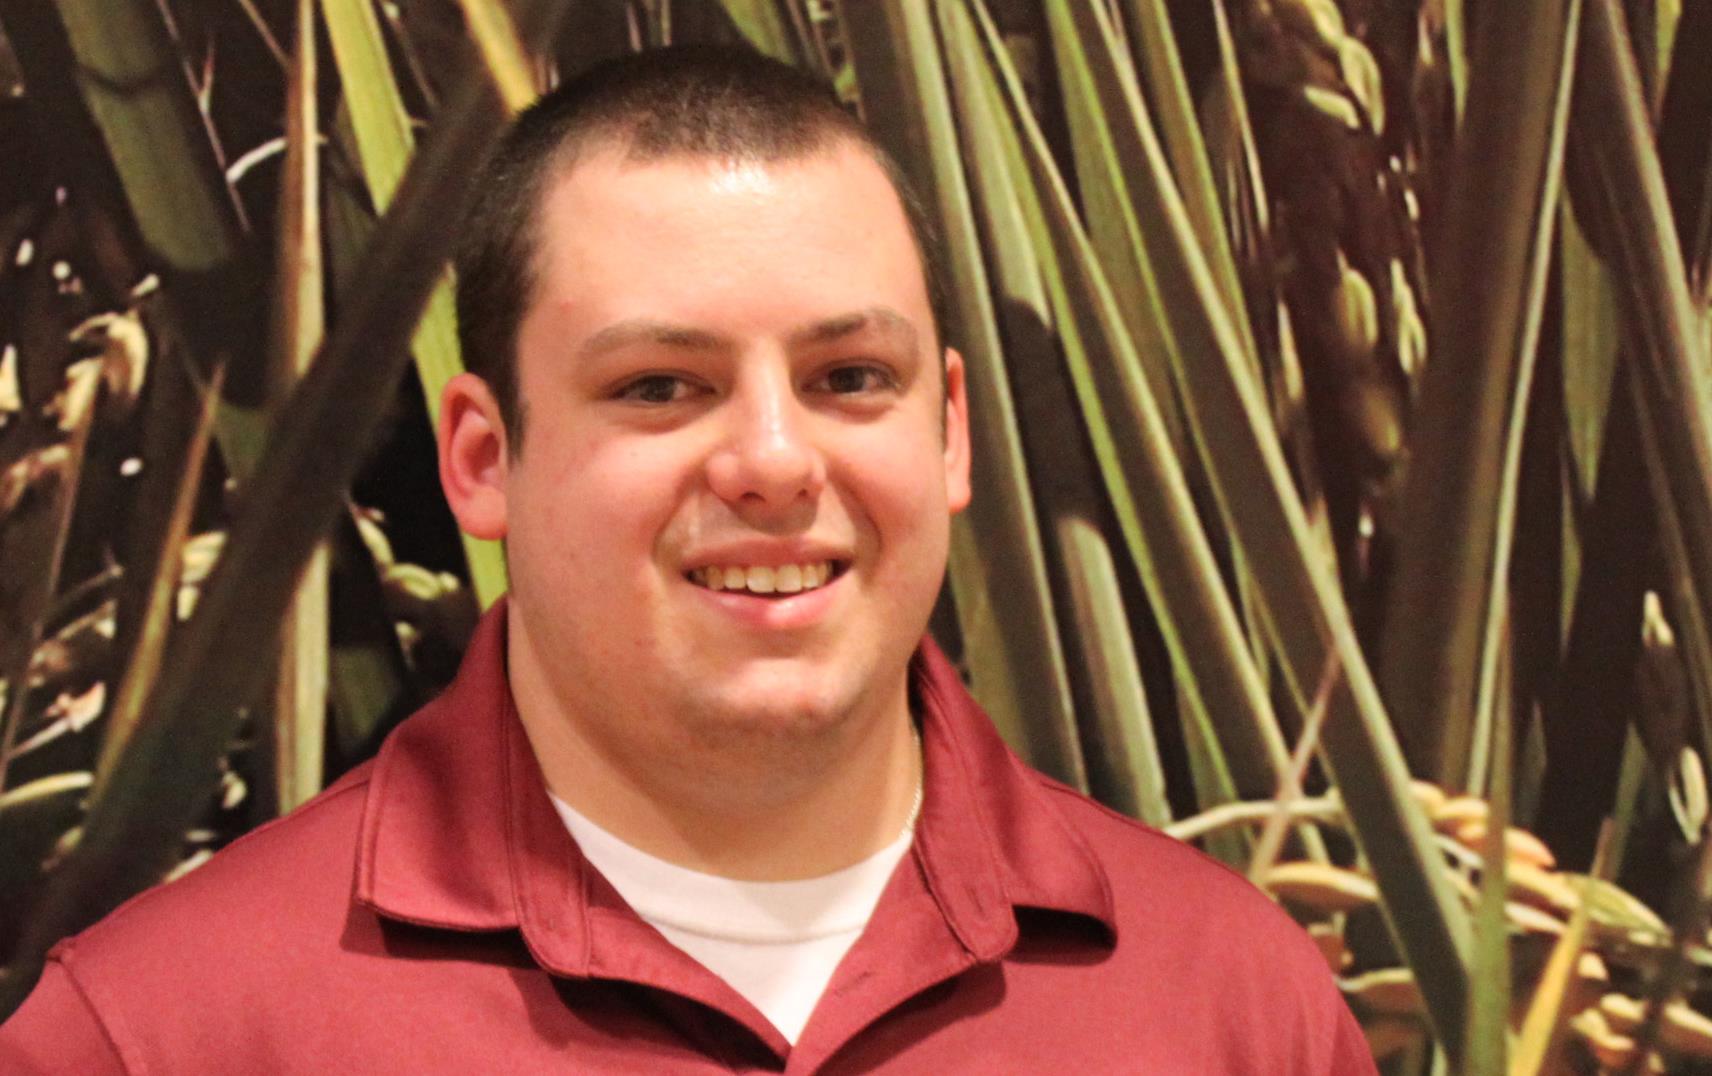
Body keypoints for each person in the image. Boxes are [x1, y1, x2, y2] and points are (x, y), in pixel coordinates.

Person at [0, 45, 1374, 1073]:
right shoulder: (160, 1036)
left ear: (951, 434)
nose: (774, 461)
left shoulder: (1232, 1002)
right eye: (661, 386)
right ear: (482, 456)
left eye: (849, 375)